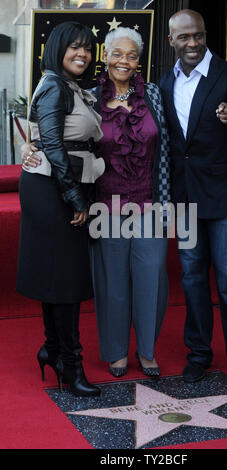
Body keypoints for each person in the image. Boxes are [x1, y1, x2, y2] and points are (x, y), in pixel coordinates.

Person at [22, 27, 171, 378]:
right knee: (112, 282)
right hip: (103, 202)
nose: (124, 60)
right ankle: (116, 353)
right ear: (106, 56)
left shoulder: (153, 93)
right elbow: (56, 130)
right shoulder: (87, 94)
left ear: (139, 61)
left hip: (150, 201)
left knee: (153, 277)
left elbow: (169, 147)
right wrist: (31, 146)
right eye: (117, 53)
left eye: (132, 55)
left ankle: (147, 351)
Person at [159, 9, 227, 386]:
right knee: (192, 278)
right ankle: (198, 353)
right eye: (184, 37)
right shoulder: (163, 84)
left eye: (198, 35)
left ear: (205, 35)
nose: (193, 43)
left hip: (226, 196)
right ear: (171, 42)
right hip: (185, 199)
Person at [17, 21, 105, 397]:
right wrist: (75, 199)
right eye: (74, 47)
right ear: (57, 49)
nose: (82, 54)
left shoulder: (69, 86)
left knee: (59, 275)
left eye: (87, 48)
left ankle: (53, 351)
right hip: (54, 190)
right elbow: (52, 146)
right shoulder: (54, 85)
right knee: (66, 278)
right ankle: (71, 364)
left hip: (59, 186)